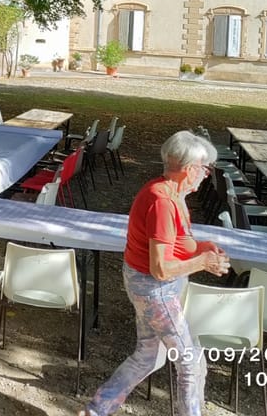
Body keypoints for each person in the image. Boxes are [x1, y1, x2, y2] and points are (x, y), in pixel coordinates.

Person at [78, 130, 230, 416]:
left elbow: (177, 243)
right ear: (189, 169)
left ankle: (96, 410)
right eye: (204, 168)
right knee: (189, 361)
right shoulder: (162, 202)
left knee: (148, 357)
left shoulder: (171, 193)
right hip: (155, 291)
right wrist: (203, 262)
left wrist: (203, 248)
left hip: (152, 288)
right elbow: (160, 268)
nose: (206, 174)